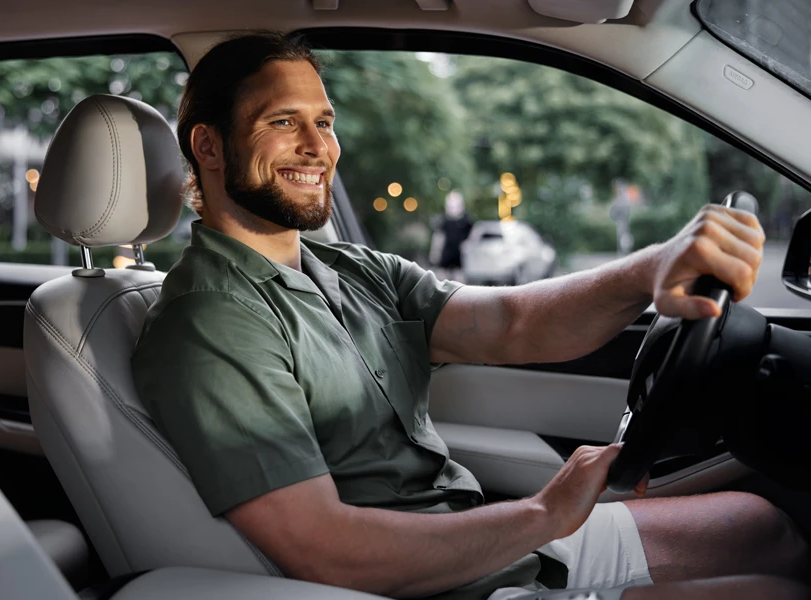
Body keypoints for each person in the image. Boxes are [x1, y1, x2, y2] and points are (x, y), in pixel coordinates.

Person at [131, 33, 808, 600]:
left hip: (479, 542)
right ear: (210, 147)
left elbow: (513, 321)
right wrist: (542, 514)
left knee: (766, 528)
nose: (319, 146)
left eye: (325, 121)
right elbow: (328, 553)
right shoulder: (210, 322)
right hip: (433, 584)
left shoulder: (350, 270)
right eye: (283, 122)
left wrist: (647, 269)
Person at [429, 190, 473, 282]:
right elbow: (438, 237)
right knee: (442, 278)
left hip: (459, 254)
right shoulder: (444, 220)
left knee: (459, 278)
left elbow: (474, 233)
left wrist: (468, 244)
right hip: (446, 252)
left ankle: (460, 295)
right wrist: (435, 251)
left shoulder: (466, 220)